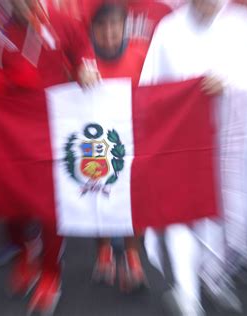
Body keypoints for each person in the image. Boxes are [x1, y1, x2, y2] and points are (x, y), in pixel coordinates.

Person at [0, 0, 100, 314]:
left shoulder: (61, 19)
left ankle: (51, 270)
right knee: (6, 198)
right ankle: (23, 251)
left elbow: (83, 51)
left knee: (50, 203)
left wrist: (86, 67)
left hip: (53, 128)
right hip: (7, 131)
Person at [139, 0, 247, 314]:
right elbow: (150, 90)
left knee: (220, 218)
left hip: (232, 152)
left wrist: (231, 85)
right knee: (183, 214)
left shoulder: (244, 28)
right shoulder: (168, 31)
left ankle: (213, 276)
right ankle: (187, 293)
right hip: (183, 147)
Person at [88, 1, 149, 291]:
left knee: (136, 201)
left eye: (115, 25)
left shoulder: (140, 53)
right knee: (97, 194)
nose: (110, 32)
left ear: (124, 25)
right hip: (97, 142)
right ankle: (103, 250)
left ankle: (132, 253)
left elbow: (158, 93)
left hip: (133, 141)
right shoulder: (83, 60)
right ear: (93, 29)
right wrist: (78, 75)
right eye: (102, 26)